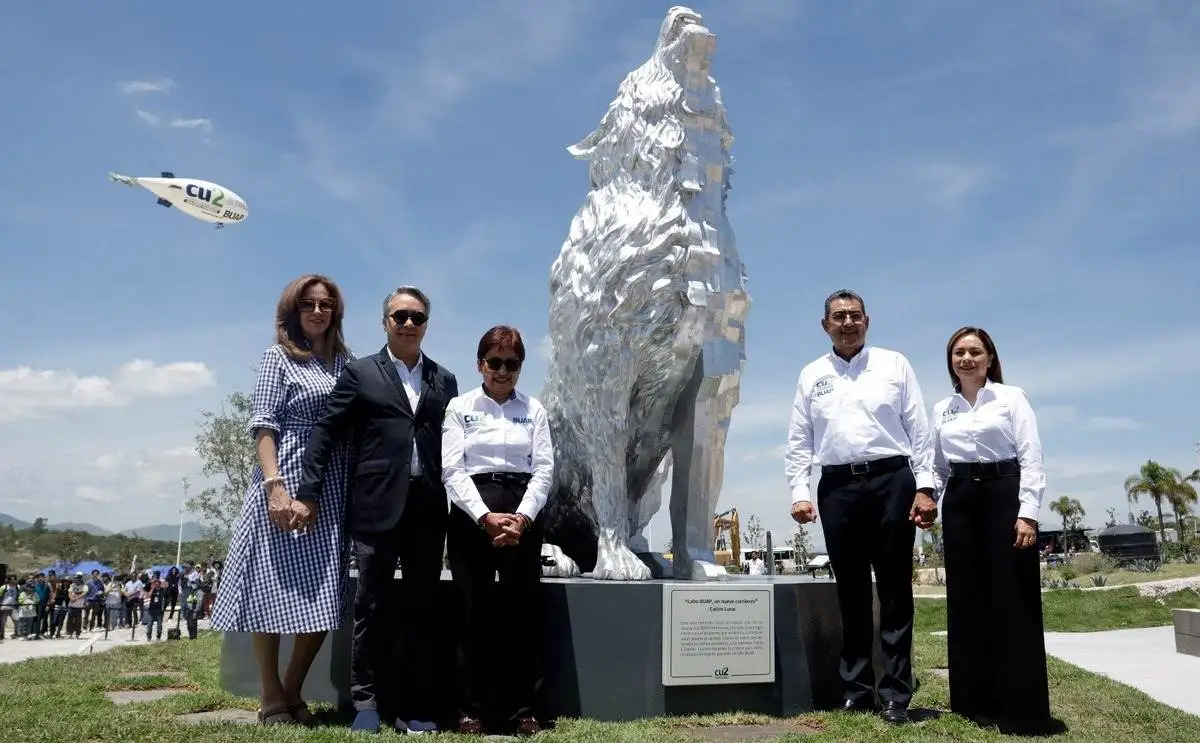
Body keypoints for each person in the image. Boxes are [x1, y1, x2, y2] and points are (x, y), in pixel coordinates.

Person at [298, 285, 459, 735]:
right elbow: (326, 432)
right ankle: (366, 702)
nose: (409, 324)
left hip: (427, 511)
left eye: (418, 317)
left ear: (427, 324)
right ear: (385, 322)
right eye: (400, 316)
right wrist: (308, 490)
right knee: (371, 606)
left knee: (420, 611)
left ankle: (414, 705)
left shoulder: (445, 381)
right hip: (374, 510)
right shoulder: (360, 373)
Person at [784, 289, 936, 725]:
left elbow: (919, 431)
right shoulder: (812, 375)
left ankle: (896, 695)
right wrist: (800, 490)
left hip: (893, 481)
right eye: (838, 316)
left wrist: (924, 488)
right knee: (850, 591)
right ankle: (856, 690)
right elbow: (799, 439)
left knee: (894, 591)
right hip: (837, 487)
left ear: (867, 322)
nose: (847, 323)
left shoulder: (894, 364)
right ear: (825, 325)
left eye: (855, 316)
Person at [209, 273, 354, 726]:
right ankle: (271, 693)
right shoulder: (279, 358)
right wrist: (275, 487)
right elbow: (264, 425)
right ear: (292, 311)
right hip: (285, 478)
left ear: (336, 311)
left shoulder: (346, 364)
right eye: (308, 304)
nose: (317, 311)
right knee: (268, 588)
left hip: (331, 486)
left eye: (325, 304)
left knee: (322, 592)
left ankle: (293, 688)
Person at [932, 326, 1052, 735]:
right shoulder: (942, 408)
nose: (967, 358)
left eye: (975, 352)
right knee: (966, 600)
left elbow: (1032, 457)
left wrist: (1028, 513)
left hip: (1005, 494)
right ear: (951, 360)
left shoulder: (1011, 397)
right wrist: (927, 495)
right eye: (959, 352)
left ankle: (1022, 707)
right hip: (961, 500)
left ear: (989, 358)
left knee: (1012, 598)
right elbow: (938, 464)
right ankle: (972, 703)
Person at [441, 326, 554, 737]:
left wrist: (521, 519)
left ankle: (524, 710)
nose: (502, 371)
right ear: (480, 364)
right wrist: (484, 517)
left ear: (521, 366)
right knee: (472, 615)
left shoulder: (535, 410)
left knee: (522, 615)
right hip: (474, 514)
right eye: (495, 362)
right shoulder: (459, 407)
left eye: (512, 363)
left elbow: (543, 469)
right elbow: (452, 470)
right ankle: (470, 709)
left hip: (523, 513)